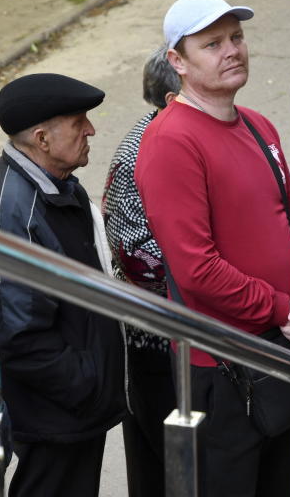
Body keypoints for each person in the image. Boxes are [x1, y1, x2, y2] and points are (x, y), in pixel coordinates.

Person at [135, 0, 290, 497]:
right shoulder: (170, 141)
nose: (232, 50)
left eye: (237, 38)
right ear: (177, 61)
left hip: (280, 351)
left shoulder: (257, 125)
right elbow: (196, 268)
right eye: (212, 43)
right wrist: (288, 308)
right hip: (222, 368)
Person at [0, 73, 126, 497]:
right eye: (79, 122)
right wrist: (87, 386)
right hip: (57, 415)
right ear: (42, 138)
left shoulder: (56, 185)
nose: (91, 129)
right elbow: (17, 335)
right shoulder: (13, 209)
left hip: (73, 411)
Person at [102, 46, 181, 497]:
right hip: (154, 340)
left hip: (190, 337)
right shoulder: (137, 154)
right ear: (171, 101)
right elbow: (136, 256)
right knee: (161, 463)